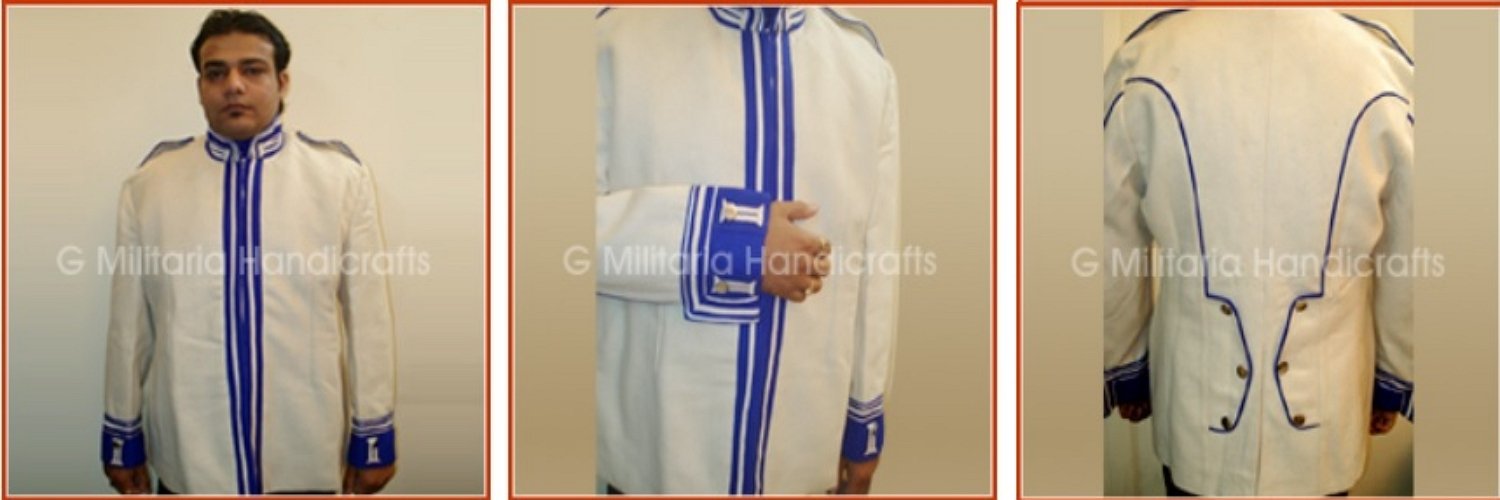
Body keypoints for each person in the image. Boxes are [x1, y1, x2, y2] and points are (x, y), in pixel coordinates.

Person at [1102, 10, 1415, 496]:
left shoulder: (1147, 59)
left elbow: (1109, 234)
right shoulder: (1381, 68)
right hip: (1328, 411)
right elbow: (1410, 250)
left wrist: (1125, 364)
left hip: (1194, 407)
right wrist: (1393, 374)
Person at [594, 6, 901, 494]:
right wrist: (733, 243)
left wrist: (864, 417)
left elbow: (873, 261)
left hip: (802, 450)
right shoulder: (616, 41)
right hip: (658, 455)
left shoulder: (862, 67)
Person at [100, 9, 397, 494]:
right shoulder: (151, 185)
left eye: (252, 70)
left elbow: (369, 320)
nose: (233, 85)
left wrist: (373, 433)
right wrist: (121, 433)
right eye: (215, 73)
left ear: (282, 81)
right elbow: (128, 327)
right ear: (200, 87)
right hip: (190, 454)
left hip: (303, 447)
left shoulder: (338, 180)